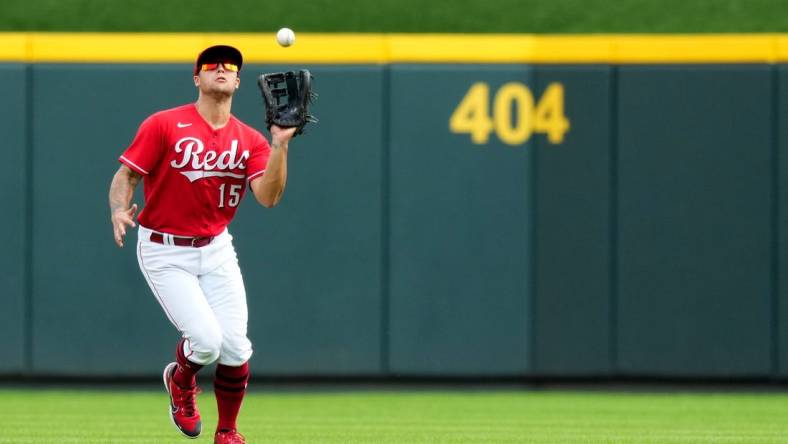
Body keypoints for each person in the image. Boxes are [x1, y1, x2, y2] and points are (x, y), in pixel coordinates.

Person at [108, 44, 296, 444]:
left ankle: (227, 431)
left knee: (235, 348)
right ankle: (180, 382)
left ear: (239, 81)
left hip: (215, 248)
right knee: (207, 343)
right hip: (164, 248)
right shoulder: (163, 124)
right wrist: (118, 210)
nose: (222, 69)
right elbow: (127, 175)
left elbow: (269, 197)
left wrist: (280, 144)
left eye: (231, 66)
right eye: (212, 65)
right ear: (197, 77)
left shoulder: (250, 140)